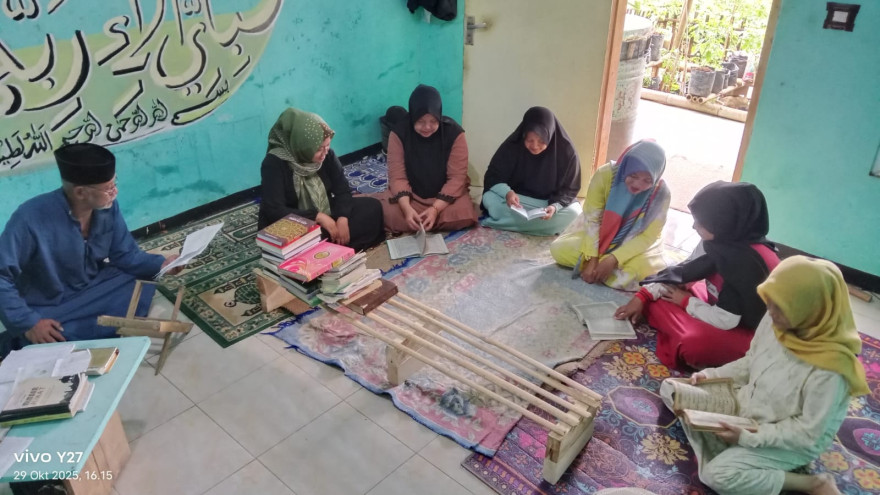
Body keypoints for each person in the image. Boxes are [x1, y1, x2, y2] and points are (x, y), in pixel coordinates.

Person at [659, 256, 867, 495]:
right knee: (672, 389)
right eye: (770, 303)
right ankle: (734, 451)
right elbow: (750, 362)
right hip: (748, 404)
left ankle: (812, 483)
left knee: (717, 475)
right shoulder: (775, 319)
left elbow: (807, 433)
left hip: (787, 438)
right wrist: (710, 376)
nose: (771, 313)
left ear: (809, 311)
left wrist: (748, 437)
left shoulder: (830, 369)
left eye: (781, 308)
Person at [0, 143, 182, 356]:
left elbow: (125, 254)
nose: (115, 192)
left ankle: (82, 332)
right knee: (57, 333)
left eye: (114, 184)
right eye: (108, 188)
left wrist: (162, 264)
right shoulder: (30, 218)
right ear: (80, 192)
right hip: (51, 301)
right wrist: (29, 322)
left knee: (139, 280)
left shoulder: (107, 207)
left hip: (94, 286)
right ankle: (26, 340)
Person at [615, 181, 779, 370]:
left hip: (750, 331)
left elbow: (726, 320)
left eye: (702, 223)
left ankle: (680, 334)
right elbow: (685, 271)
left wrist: (685, 301)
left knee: (692, 345)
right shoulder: (719, 242)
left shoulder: (746, 265)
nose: (694, 227)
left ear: (724, 223)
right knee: (657, 297)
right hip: (717, 304)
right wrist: (643, 296)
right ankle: (677, 327)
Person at [259, 108, 385, 251]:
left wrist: (342, 218)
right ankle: (332, 248)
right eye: (319, 149)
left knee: (372, 207)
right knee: (298, 241)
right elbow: (275, 210)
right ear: (302, 146)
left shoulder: (327, 155)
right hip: (292, 221)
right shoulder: (274, 163)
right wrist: (318, 217)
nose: (325, 152)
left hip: (325, 210)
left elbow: (343, 190)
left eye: (328, 145)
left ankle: (330, 248)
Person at [550, 139, 670, 289]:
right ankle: (606, 272)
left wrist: (614, 259)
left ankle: (602, 270)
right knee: (558, 250)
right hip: (600, 233)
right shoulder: (606, 175)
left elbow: (648, 236)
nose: (638, 185)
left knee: (647, 271)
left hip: (634, 239)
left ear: (656, 176)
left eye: (647, 180)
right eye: (633, 176)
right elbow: (593, 219)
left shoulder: (661, 194)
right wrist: (592, 258)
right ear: (626, 167)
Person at [374, 84, 477, 233]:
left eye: (433, 121)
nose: (427, 127)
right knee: (387, 214)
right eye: (421, 121)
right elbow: (398, 177)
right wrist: (407, 209)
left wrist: (435, 209)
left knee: (463, 214)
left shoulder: (454, 133)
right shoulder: (399, 133)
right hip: (412, 197)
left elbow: (456, 178)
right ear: (413, 117)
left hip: (444, 199)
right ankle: (420, 220)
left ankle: (425, 220)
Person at [481, 107, 582, 236]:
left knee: (575, 212)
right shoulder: (512, 146)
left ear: (550, 135)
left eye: (541, 141)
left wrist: (554, 207)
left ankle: (504, 223)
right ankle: (544, 227)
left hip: (547, 202)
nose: (535, 146)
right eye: (530, 140)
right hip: (518, 201)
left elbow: (570, 189)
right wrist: (508, 193)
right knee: (489, 197)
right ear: (523, 135)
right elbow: (493, 176)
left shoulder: (567, 152)